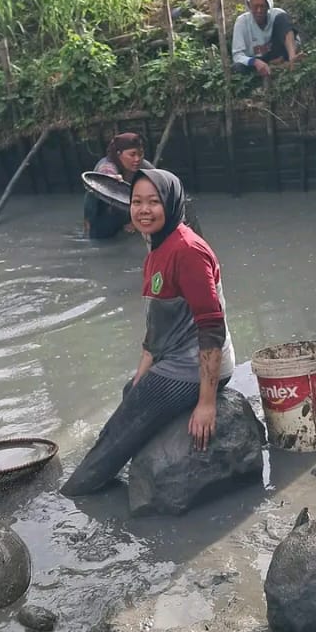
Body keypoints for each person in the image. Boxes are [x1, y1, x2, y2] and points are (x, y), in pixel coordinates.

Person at [61, 169, 235, 496]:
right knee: (131, 392)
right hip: (174, 357)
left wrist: (207, 402)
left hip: (192, 367)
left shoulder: (187, 251)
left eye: (153, 202)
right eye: (137, 201)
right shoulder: (158, 247)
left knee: (114, 436)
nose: (144, 210)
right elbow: (157, 326)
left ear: (170, 204)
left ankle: (72, 496)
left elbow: (212, 328)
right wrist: (141, 375)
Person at [84, 132, 153, 239]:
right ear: (118, 154)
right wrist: (112, 181)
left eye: (140, 154)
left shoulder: (144, 166)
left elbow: (161, 187)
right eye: (132, 154)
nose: (137, 159)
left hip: (128, 210)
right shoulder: (107, 166)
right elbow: (107, 174)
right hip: (102, 214)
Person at [231, 0, 301, 77]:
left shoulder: (277, 14)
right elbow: (237, 55)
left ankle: (292, 59)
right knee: (238, 67)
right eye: (255, 7)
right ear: (249, 6)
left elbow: (295, 40)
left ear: (268, 6)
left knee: (282, 18)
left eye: (262, 6)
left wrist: (289, 55)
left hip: (276, 53)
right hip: (256, 60)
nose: (259, 11)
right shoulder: (242, 22)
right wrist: (255, 62)